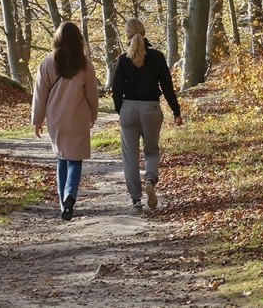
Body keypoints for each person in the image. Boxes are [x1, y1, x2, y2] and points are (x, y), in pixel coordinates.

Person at [112, 18, 183, 211]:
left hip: (129, 108)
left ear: (127, 35)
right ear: (144, 32)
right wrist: (176, 111)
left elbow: (116, 89)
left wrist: (121, 110)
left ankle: (136, 199)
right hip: (151, 108)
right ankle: (150, 180)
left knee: (130, 157)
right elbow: (167, 87)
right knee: (151, 150)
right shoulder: (158, 57)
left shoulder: (123, 59)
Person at [32, 21, 99, 221]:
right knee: (75, 160)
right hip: (78, 117)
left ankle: (63, 203)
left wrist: (37, 120)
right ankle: (70, 194)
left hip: (56, 119)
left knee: (61, 158)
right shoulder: (85, 64)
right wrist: (93, 114)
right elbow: (92, 93)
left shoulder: (47, 63)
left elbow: (39, 95)